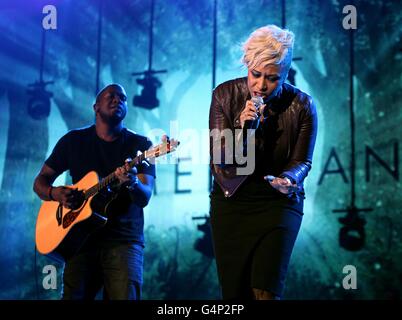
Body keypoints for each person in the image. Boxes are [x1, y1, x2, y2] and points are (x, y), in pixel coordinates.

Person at [209, 25, 317, 300]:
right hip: (232, 200)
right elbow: (222, 160)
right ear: (248, 65)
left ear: (285, 73)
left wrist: (290, 179)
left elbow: (302, 160)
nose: (260, 85)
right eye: (255, 74)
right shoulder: (224, 95)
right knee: (235, 295)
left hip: (278, 203)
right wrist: (245, 129)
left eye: (272, 78)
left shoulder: (303, 105)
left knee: (265, 291)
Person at [33, 83, 155, 300]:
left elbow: (145, 196)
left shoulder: (142, 145)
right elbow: (40, 182)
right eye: (111, 96)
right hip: (80, 241)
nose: (118, 100)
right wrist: (55, 194)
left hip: (124, 241)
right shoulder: (73, 141)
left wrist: (133, 182)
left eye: (123, 98)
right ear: (96, 106)